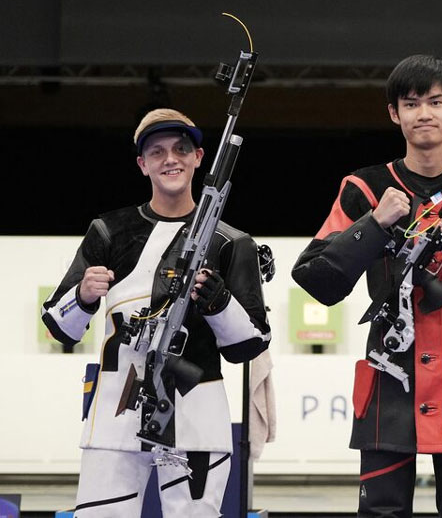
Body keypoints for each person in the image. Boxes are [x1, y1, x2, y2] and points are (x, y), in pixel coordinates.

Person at [292, 54, 442, 518]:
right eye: (411, 103)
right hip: (387, 379)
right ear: (394, 113)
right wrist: (375, 222)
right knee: (381, 511)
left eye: (436, 102)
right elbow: (316, 280)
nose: (424, 113)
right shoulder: (365, 189)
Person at [41, 109, 271, 517]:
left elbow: (250, 344)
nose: (171, 159)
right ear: (141, 164)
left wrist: (219, 304)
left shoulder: (231, 242)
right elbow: (59, 327)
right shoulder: (110, 230)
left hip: (197, 415)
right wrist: (83, 295)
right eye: (158, 151)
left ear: (199, 157)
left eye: (182, 149)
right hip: (115, 413)